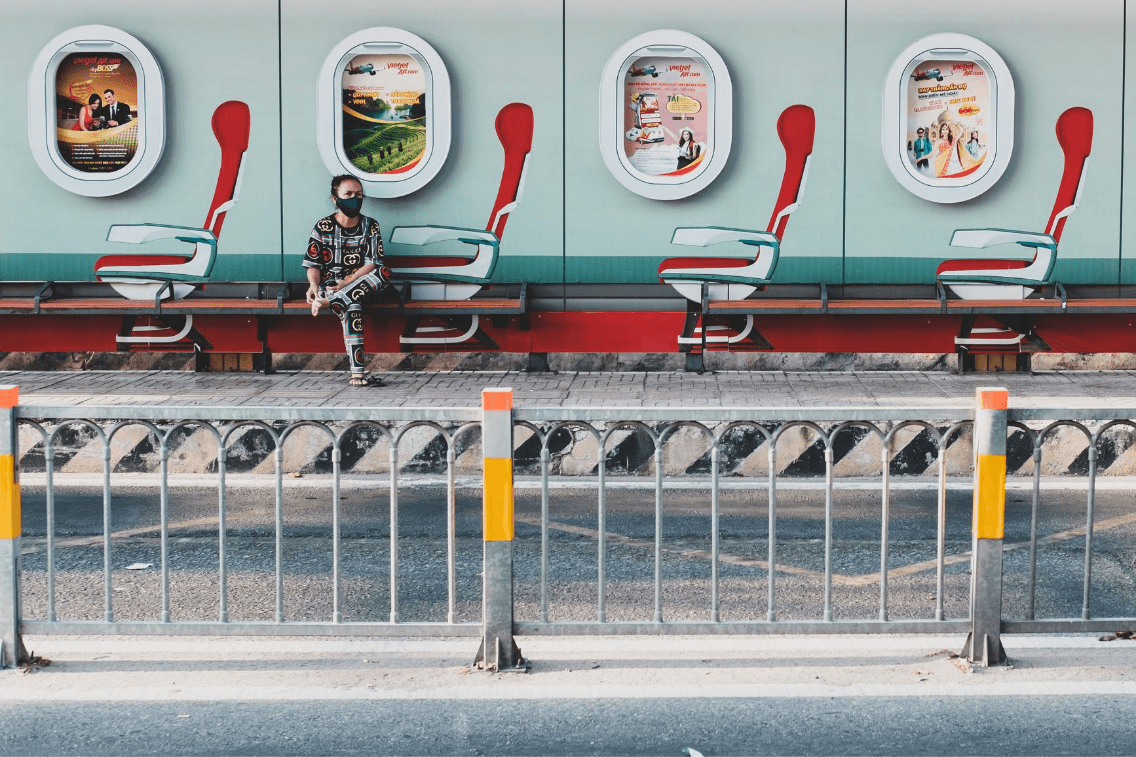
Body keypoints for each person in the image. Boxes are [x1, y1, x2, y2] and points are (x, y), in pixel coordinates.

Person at [305, 175, 391, 386]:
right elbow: (313, 265)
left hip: (360, 284)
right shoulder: (322, 227)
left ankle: (332, 303)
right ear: (336, 198)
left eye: (358, 194)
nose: (354, 198)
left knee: (384, 271)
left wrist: (347, 282)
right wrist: (314, 287)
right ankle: (357, 374)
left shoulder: (370, 225)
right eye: (348, 194)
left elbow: (372, 264)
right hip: (330, 288)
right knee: (352, 305)